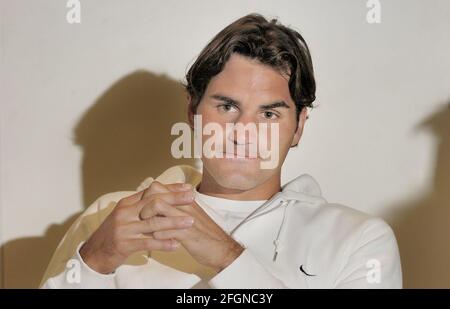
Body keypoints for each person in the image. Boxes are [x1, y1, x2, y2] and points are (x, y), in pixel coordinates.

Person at [41, 13, 402, 288]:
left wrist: (226, 256)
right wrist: (93, 261)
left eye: (269, 113)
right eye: (227, 107)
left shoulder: (359, 239)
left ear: (299, 127)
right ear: (192, 112)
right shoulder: (109, 215)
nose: (243, 132)